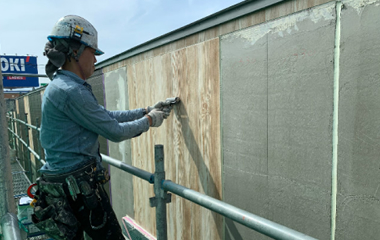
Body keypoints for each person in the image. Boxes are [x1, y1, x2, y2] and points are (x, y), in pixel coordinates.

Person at [32, 15, 172, 240]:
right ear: (75, 51)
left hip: (63, 186)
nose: (95, 61)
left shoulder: (63, 86)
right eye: (93, 53)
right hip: (76, 189)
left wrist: (145, 110)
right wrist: (150, 121)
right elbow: (114, 131)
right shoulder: (71, 91)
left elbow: (104, 116)